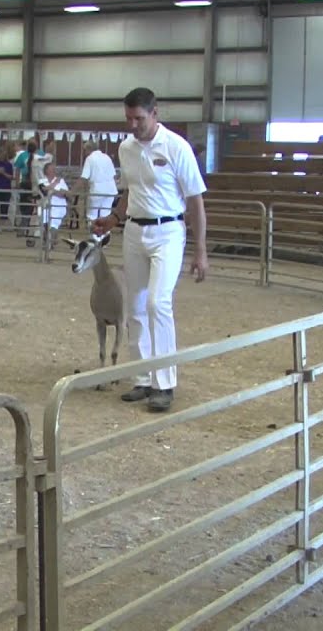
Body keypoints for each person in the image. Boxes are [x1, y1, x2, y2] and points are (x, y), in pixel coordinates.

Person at [92, 87, 208, 413]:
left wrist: (200, 250)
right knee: (136, 305)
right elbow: (132, 190)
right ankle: (142, 378)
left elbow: (196, 201)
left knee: (159, 303)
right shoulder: (125, 149)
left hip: (168, 232)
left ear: (155, 113)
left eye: (138, 118)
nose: (132, 125)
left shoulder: (176, 147)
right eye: (128, 118)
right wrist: (114, 218)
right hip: (133, 230)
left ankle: (164, 383)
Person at [79, 140, 118, 221]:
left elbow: (84, 177)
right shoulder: (107, 157)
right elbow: (114, 176)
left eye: (85, 150)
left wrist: (72, 191)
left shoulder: (90, 158)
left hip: (97, 190)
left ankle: (93, 233)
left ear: (89, 149)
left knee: (92, 215)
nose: (84, 153)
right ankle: (105, 232)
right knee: (105, 215)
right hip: (110, 190)